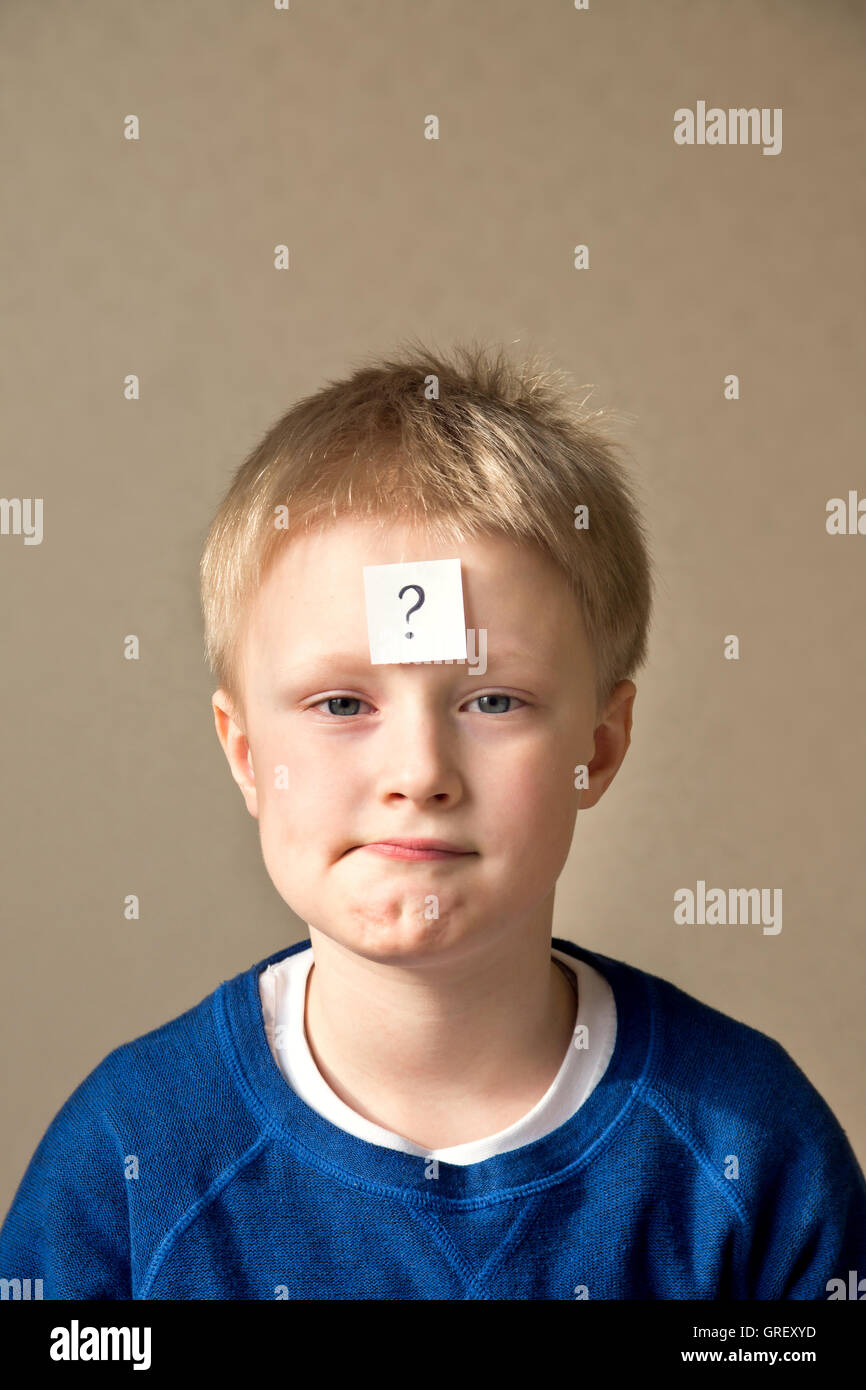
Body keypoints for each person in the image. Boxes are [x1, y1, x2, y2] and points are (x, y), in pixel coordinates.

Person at [1, 340, 864, 1299]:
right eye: (341, 705)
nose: (419, 773)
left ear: (602, 747)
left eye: (494, 702)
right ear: (246, 753)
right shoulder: (128, 1160)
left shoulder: (755, 1148)